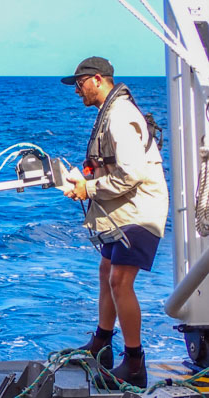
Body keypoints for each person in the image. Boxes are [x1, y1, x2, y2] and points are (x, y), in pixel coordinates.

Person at [61, 56, 168, 388]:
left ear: (96, 79)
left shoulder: (120, 116)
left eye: (79, 84)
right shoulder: (110, 113)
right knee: (106, 272)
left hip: (139, 212)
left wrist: (88, 187)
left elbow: (131, 175)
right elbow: (112, 164)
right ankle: (101, 345)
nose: (77, 91)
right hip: (122, 211)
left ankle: (135, 363)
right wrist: (87, 176)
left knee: (120, 281)